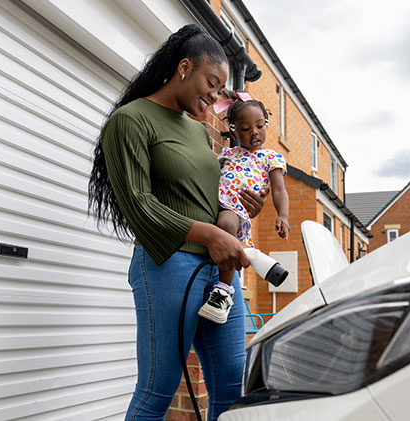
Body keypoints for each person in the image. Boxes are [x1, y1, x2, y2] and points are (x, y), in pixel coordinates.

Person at [87, 24, 267, 420]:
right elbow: (138, 204)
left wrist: (241, 209)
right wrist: (208, 234)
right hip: (167, 265)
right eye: (211, 83)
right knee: (158, 390)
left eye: (221, 91)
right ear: (184, 67)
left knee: (232, 389)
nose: (215, 97)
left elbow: (213, 197)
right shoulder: (131, 120)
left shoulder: (200, 133)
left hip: (218, 270)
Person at [197, 93, 290, 324]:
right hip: (212, 205)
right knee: (223, 228)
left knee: (227, 224)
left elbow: (279, 190)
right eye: (246, 128)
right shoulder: (227, 153)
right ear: (234, 129)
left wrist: (283, 216)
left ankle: (224, 291)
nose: (254, 133)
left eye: (259, 126)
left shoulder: (271, 158)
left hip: (234, 210)